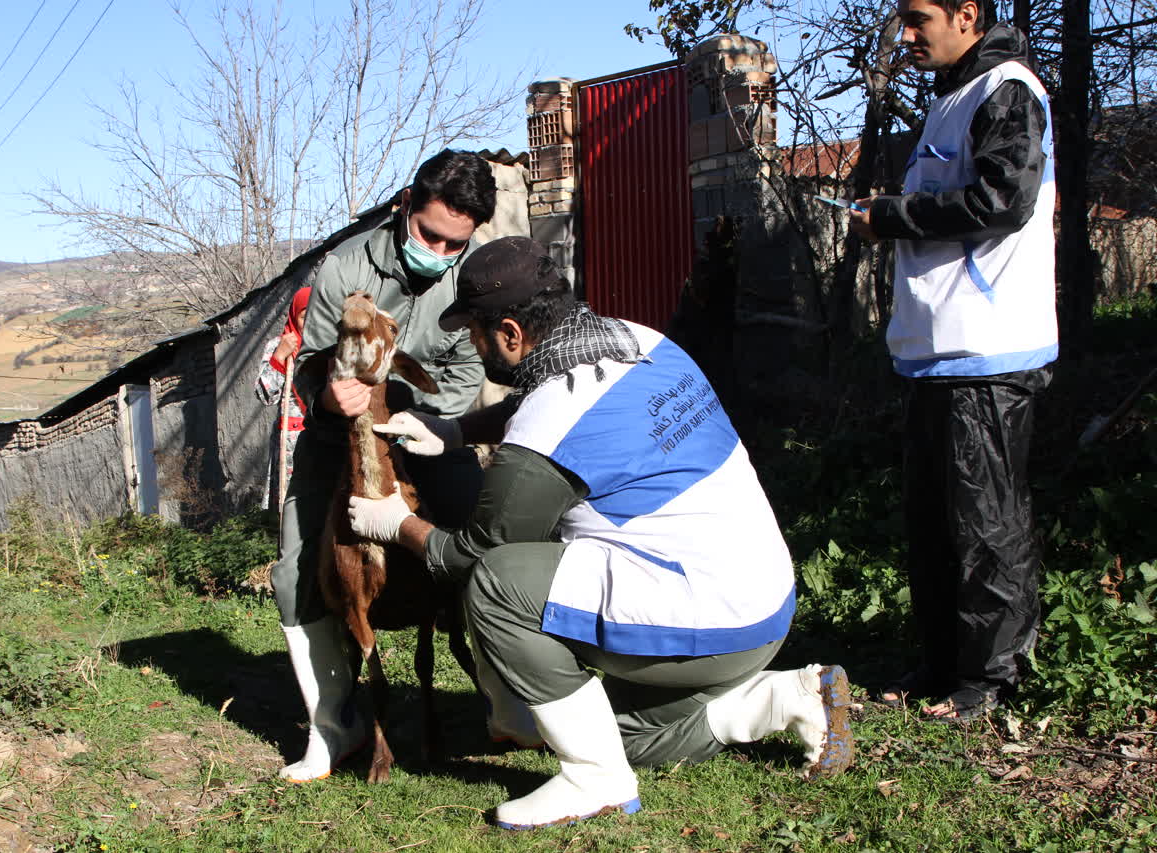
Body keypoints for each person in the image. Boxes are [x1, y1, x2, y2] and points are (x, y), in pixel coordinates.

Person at [348, 237, 854, 830]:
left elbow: (472, 554)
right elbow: (545, 406)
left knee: (498, 582)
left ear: (510, 334)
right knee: (603, 729)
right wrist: (456, 431)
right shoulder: (637, 341)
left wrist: (396, 522)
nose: (471, 342)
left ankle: (595, 780)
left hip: (703, 614)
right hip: (763, 604)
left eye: (476, 332)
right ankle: (784, 698)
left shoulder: (551, 419)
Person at [848, 0, 1056, 720]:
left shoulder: (1007, 90)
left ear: (967, 13)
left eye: (918, 18)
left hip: (989, 352)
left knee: (985, 524)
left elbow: (1006, 197)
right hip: (937, 356)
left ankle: (991, 679)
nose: (905, 35)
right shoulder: (951, 99)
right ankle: (942, 666)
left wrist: (892, 216)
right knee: (935, 522)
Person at [274, 149, 495, 783]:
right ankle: (334, 726)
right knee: (295, 569)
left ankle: (502, 698)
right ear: (405, 204)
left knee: (483, 538)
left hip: (424, 436)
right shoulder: (344, 265)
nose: (441, 252)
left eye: (456, 243)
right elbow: (313, 362)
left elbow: (464, 375)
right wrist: (328, 396)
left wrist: (405, 414)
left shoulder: (467, 276)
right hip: (334, 442)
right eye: (430, 235)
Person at [255, 284, 311, 508]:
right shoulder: (277, 346)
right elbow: (264, 395)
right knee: (291, 511)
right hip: (292, 444)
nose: (310, 323)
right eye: (305, 316)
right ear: (294, 316)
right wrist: (279, 357)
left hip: (326, 438)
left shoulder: (331, 348)